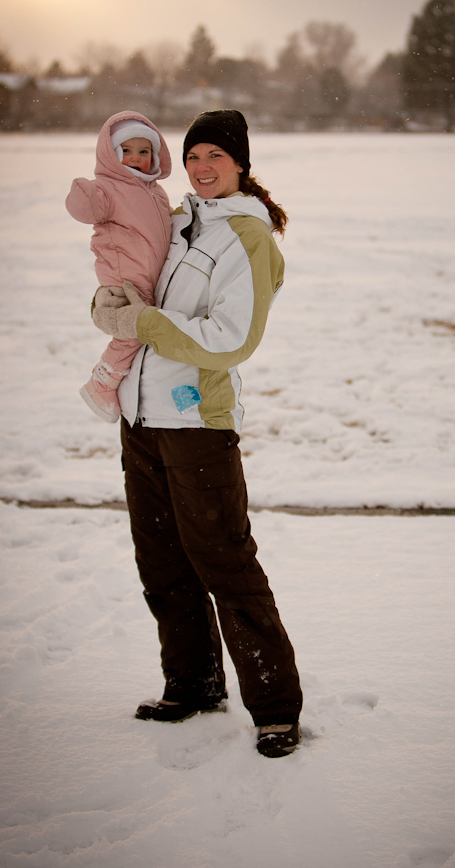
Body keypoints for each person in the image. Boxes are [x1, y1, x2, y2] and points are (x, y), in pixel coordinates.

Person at [92, 109, 302, 758]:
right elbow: (133, 279)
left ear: (240, 163)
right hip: (144, 418)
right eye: (194, 156)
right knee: (161, 560)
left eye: (216, 155)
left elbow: (231, 339)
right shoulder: (180, 222)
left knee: (225, 563)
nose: (203, 167)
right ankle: (193, 682)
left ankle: (274, 708)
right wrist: (109, 304)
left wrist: (143, 323)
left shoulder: (247, 239)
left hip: (198, 425)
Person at [66, 110, 173, 423]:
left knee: (147, 329)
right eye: (125, 151)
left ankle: (130, 384)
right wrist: (85, 194)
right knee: (133, 330)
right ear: (110, 155)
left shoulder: (156, 191)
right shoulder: (107, 189)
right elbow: (88, 208)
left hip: (148, 275)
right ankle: (102, 382)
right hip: (124, 275)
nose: (135, 158)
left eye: (143, 151)